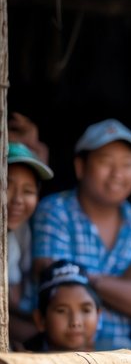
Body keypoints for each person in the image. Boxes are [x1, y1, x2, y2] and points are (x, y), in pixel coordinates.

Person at [28, 119, 131, 349]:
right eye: (105, 162)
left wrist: (79, 276)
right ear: (80, 167)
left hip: (121, 355)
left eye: (127, 164)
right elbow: (53, 281)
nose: (117, 173)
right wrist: (123, 283)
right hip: (59, 353)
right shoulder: (55, 211)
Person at [7, 142, 52, 348]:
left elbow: (11, 302)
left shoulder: (17, 232)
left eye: (28, 191)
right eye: (6, 186)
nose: (17, 200)